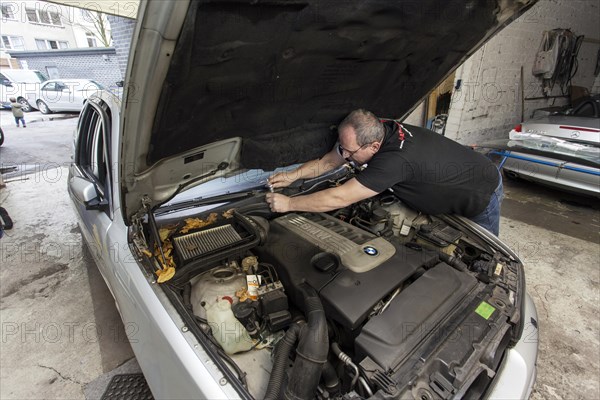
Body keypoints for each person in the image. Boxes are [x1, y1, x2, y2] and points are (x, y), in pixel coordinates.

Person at [265, 109, 503, 235]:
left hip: (480, 190)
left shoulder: (394, 161)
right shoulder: (382, 128)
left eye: (350, 151)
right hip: (450, 178)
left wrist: (289, 204)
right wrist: (292, 176)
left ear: (374, 146)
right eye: (343, 147)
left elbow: (340, 197)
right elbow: (330, 160)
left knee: (482, 261)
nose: (345, 157)